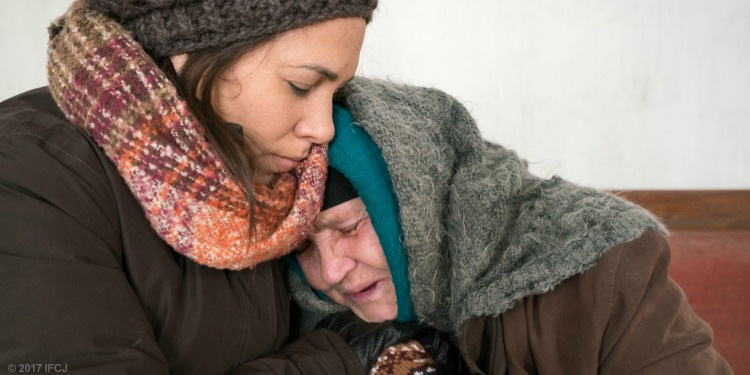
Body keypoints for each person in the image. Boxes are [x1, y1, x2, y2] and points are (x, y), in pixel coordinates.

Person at [0, 1, 436, 374]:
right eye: (301, 86)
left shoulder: (272, 180)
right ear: (191, 52)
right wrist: (340, 360)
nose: (323, 129)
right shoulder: (32, 172)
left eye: (335, 92)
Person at [289, 81, 734, 374]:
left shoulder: (597, 269)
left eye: (348, 227)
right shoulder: (294, 307)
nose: (329, 272)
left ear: (416, 205)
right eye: (304, 246)